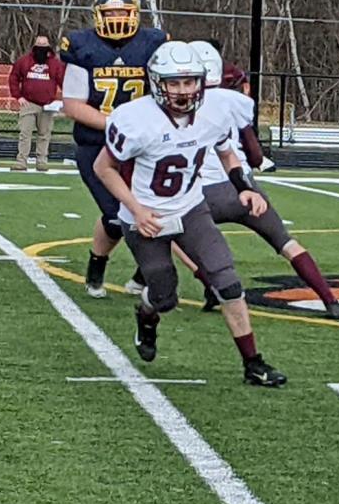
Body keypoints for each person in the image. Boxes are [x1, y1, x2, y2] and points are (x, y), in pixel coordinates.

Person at [93, 41, 286, 386]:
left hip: (191, 208)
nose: (183, 91)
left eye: (189, 82)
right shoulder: (136, 118)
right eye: (174, 83)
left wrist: (245, 187)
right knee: (164, 295)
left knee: (227, 280)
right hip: (146, 216)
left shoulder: (214, 112)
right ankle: (146, 315)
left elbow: (228, 154)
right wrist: (136, 211)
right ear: (157, 82)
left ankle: (253, 363)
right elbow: (103, 167)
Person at [190, 42, 339, 319]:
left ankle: (211, 285)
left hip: (203, 193)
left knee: (175, 238)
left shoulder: (178, 105)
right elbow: (251, 150)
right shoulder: (235, 101)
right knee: (285, 242)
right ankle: (330, 300)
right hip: (243, 186)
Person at [60, 0, 167, 297]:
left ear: (134, 14)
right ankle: (98, 264)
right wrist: (117, 124)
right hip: (97, 144)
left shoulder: (153, 43)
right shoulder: (82, 46)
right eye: (111, 13)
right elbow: (73, 105)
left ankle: (143, 274)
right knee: (115, 216)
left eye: (123, 12)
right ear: (98, 16)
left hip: (143, 148)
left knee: (157, 211)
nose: (117, 18)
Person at [8, 34, 65, 171]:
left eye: (44, 46)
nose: (41, 49)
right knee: (25, 133)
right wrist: (18, 96)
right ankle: (22, 161)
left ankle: (42, 161)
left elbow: (63, 81)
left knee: (44, 134)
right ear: (34, 46)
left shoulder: (55, 64)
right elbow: (14, 78)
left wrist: (66, 99)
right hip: (28, 103)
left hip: (47, 104)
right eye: (39, 46)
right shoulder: (24, 61)